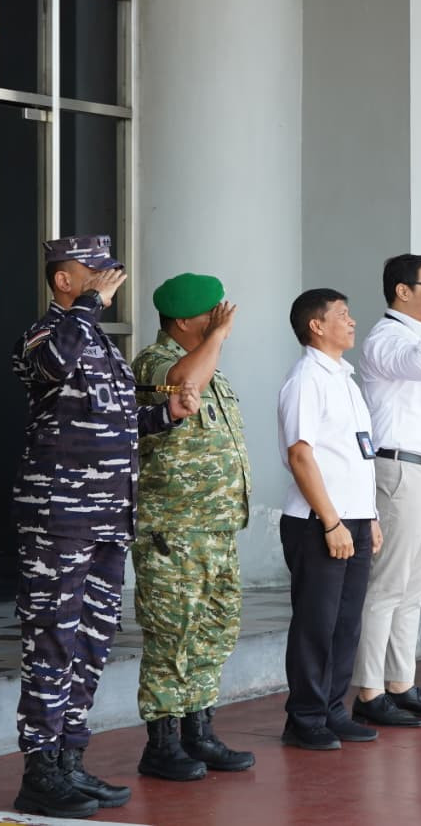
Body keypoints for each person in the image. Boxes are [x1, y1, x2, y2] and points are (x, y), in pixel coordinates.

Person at [10, 235, 198, 819]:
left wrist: (164, 414)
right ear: (63, 280)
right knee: (52, 638)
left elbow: (112, 424)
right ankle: (40, 770)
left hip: (108, 517)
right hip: (59, 519)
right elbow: (52, 366)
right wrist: (87, 306)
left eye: (106, 273)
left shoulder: (102, 346)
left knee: (91, 642)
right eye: (91, 273)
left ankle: (70, 759)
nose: (105, 281)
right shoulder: (46, 335)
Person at [131, 273, 255, 780]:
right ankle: (161, 743)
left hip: (217, 528)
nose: (221, 320)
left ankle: (197, 731)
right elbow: (184, 383)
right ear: (183, 320)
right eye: (212, 315)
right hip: (174, 530)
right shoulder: (154, 363)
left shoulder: (214, 372)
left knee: (213, 632)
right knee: (171, 635)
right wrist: (218, 338)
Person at [353, 254, 421, 727]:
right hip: (402, 472)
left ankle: (400, 683)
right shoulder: (387, 337)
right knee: (387, 586)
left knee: (414, 588)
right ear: (402, 291)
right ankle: (370, 691)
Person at [277, 288, 382, 750]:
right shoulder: (306, 378)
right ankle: (304, 717)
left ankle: (331, 709)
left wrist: (370, 516)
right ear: (316, 326)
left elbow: (359, 454)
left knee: (345, 623)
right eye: (342, 314)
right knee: (316, 624)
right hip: (320, 521)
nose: (352, 321)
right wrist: (332, 521)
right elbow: (301, 455)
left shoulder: (346, 377)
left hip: (354, 518)